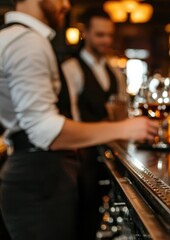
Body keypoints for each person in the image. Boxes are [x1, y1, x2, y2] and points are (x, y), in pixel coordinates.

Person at [0, 1, 159, 239]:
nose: (66, 4)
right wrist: (123, 128)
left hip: (43, 172)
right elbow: (46, 131)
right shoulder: (27, 42)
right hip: (40, 174)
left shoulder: (23, 38)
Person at [61, 8, 126, 239]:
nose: (106, 40)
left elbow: (121, 110)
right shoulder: (72, 69)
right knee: (83, 221)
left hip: (109, 156)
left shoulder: (114, 71)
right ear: (85, 33)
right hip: (82, 159)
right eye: (100, 35)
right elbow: (70, 119)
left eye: (109, 35)